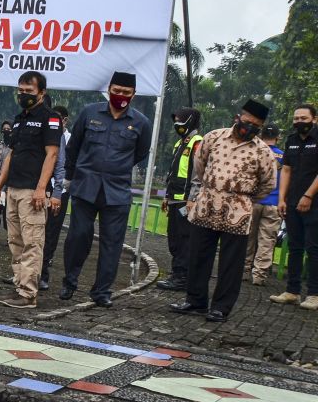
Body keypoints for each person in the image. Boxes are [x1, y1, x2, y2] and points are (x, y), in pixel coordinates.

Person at [169, 100, 276, 323]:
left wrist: (243, 197)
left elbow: (268, 184)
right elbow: (200, 165)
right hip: (206, 205)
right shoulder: (214, 137)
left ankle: (221, 307)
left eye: (256, 125)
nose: (250, 127)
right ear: (239, 117)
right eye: (247, 122)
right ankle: (195, 301)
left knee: (231, 264)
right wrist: (212, 188)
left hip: (238, 212)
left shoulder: (263, 152)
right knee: (198, 256)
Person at [59, 72, 152, 307]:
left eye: (126, 93)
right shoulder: (90, 112)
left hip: (117, 192)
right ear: (109, 89)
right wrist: (70, 177)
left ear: (133, 95)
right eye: (116, 91)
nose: (120, 96)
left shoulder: (141, 122)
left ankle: (101, 291)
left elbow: (140, 153)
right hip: (85, 186)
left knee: (113, 244)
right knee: (78, 237)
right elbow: (73, 147)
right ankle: (69, 282)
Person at [0, 71, 61, 308]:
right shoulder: (19, 118)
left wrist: (42, 188)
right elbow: (11, 154)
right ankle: (19, 287)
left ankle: (28, 294)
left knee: (32, 243)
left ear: (41, 93)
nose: (23, 95)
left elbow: (52, 154)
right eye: (20, 91)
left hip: (33, 192)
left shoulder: (50, 118)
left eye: (28, 92)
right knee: (15, 242)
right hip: (13, 189)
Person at [271, 104, 318, 309]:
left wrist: (308, 195)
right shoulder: (290, 141)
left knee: (314, 249)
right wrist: (281, 199)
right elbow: (287, 171)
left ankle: (314, 294)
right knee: (295, 248)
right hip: (291, 203)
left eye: (304, 118)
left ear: (314, 119)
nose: (299, 122)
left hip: (314, 204)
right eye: (296, 118)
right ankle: (292, 291)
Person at [156, 107, 204, 291]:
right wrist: (166, 196)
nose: (176, 124)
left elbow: (198, 174)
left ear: (189, 120)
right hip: (174, 199)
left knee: (184, 240)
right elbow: (173, 172)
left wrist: (193, 198)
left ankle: (182, 277)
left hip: (187, 201)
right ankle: (177, 273)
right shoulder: (180, 143)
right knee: (174, 239)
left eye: (180, 120)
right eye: (175, 120)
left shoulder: (197, 142)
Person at [244, 126, 283, 286]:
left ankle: (244, 270)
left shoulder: (254, 151)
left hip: (253, 201)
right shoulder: (284, 156)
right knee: (267, 240)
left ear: (260, 135)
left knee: (247, 237)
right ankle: (259, 275)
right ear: (278, 137)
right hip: (274, 203)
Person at [39, 105, 72, 290]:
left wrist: (61, 189)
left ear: (65, 120)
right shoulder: (44, 133)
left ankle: (43, 270)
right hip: (40, 187)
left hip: (60, 190)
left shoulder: (70, 139)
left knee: (51, 232)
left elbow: (65, 165)